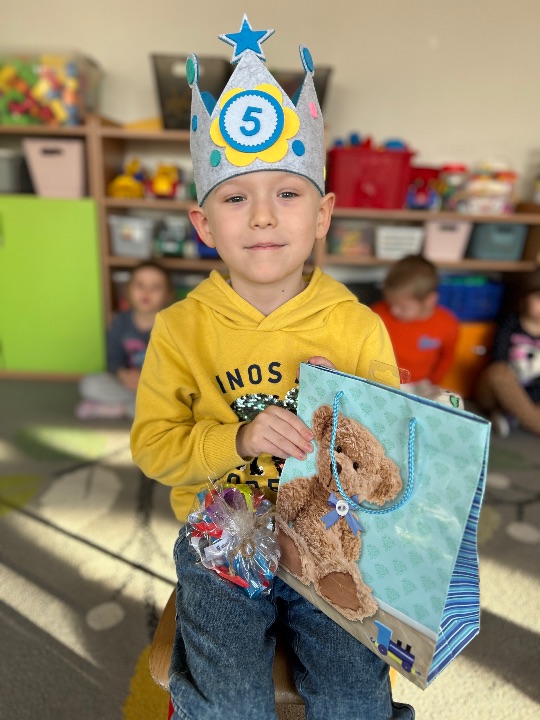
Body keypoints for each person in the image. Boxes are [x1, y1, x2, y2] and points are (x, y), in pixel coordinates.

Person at [131, 17, 414, 720]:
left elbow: (391, 462)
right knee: (228, 697)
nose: (262, 217)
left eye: (287, 194)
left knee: (353, 695)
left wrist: (347, 408)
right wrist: (238, 439)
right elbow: (154, 448)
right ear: (204, 225)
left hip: (330, 537)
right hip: (222, 536)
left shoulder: (356, 325)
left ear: (323, 215)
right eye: (236, 197)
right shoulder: (180, 329)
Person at [76, 260, 172, 420]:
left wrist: (147, 380)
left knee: (170, 402)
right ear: (128, 290)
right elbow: (114, 359)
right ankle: (132, 407)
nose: (146, 292)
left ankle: (119, 408)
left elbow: (173, 367)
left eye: (155, 287)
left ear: (167, 294)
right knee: (90, 384)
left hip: (155, 387)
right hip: (127, 384)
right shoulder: (120, 322)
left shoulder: (170, 326)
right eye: (140, 285)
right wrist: (124, 375)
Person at [371, 254, 459, 398]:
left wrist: (434, 383)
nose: (394, 311)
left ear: (429, 301)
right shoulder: (377, 314)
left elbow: (446, 359)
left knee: (452, 400)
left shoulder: (447, 323)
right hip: (384, 383)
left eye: (403, 307)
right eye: (390, 303)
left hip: (422, 386)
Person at [475, 268, 540, 437]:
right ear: (525, 296)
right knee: (498, 372)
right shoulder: (509, 324)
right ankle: (532, 421)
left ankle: (513, 416)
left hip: (532, 396)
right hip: (496, 393)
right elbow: (498, 361)